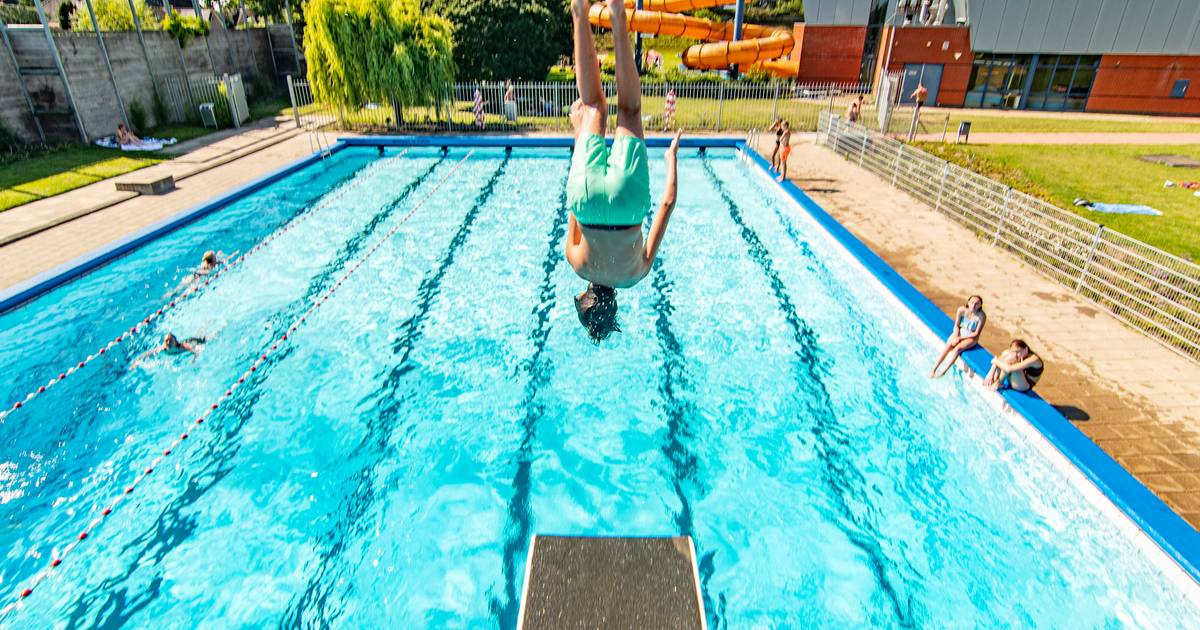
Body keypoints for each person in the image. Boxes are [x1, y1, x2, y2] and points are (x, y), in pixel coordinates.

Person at [566, 0, 682, 342]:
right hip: (588, 203)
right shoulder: (577, 263)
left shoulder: (635, 275)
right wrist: (580, 132)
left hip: (628, 205)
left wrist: (671, 159)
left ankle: (617, 15)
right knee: (593, 107)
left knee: (629, 111)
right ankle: (579, 13)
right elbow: (575, 209)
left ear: (613, 304)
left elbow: (667, 204)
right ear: (586, 295)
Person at [930, 294, 986, 377]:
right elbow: (956, 325)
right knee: (948, 345)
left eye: (977, 304)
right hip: (960, 331)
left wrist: (960, 338)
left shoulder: (981, 316)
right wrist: (956, 336)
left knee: (957, 349)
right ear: (968, 302)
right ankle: (934, 369)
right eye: (972, 302)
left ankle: (944, 371)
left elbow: (976, 333)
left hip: (971, 337)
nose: (974, 305)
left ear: (980, 305)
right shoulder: (961, 310)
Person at [132, 333, 205, 367]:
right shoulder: (163, 349)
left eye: (170, 340)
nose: (168, 343)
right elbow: (147, 354)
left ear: (175, 342)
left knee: (204, 340)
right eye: (166, 341)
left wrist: (193, 360)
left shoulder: (182, 347)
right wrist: (135, 363)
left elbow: (195, 351)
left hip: (191, 341)